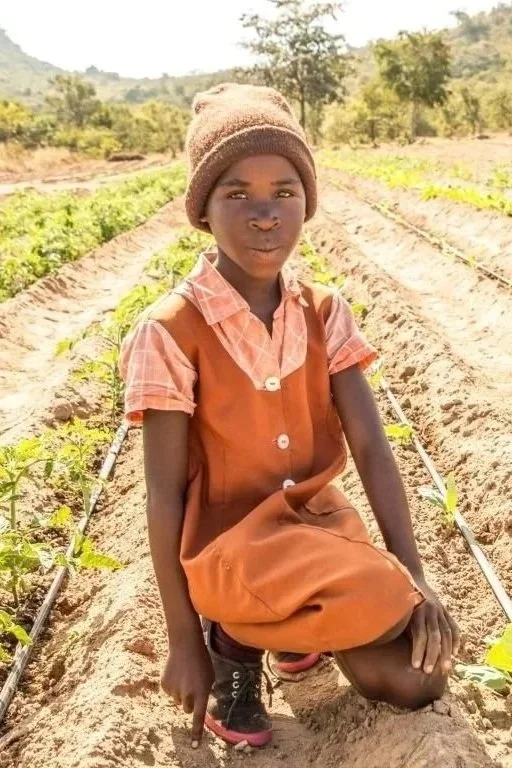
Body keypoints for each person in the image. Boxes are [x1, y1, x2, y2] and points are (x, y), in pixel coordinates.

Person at [119, 83, 460, 750]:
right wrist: (182, 641)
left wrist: (413, 573)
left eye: (285, 191)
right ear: (202, 210)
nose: (265, 213)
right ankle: (231, 642)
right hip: (230, 553)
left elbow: (370, 443)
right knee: (379, 595)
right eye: (236, 193)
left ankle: (293, 625)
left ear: (308, 201)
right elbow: (162, 495)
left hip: (312, 533)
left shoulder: (324, 311)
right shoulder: (171, 331)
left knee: (420, 679)